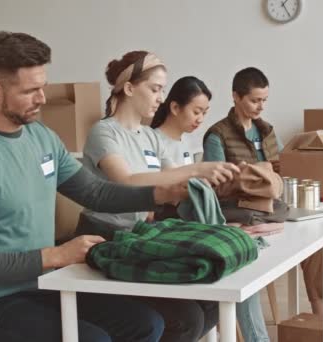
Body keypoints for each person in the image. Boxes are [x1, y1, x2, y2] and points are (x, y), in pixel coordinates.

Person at [0, 31, 190, 342]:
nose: (42, 98)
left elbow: (95, 192)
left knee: (147, 324)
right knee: (93, 339)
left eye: (43, 86)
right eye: (31, 90)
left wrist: (160, 194)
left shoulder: (42, 137)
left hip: (45, 285)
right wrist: (56, 255)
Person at [76, 52, 241, 342]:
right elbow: (127, 183)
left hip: (138, 235)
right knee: (186, 319)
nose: (160, 98)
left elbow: (174, 182)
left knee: (212, 303)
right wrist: (196, 169)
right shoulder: (103, 133)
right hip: (103, 237)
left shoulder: (150, 137)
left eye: (163, 90)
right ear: (128, 88)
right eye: (155, 89)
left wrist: (209, 183)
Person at [151, 75, 271, 342]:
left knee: (245, 251)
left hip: (192, 223)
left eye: (204, 113)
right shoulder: (154, 141)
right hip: (174, 226)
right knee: (238, 256)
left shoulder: (183, 144)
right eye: (196, 111)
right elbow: (169, 195)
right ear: (174, 107)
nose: (200, 119)